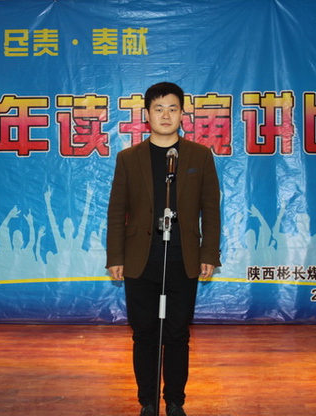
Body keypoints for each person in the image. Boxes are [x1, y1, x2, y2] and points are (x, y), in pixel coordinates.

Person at [106, 82, 221, 416]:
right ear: (147, 115)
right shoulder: (129, 158)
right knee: (144, 333)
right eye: (158, 109)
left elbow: (210, 209)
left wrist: (208, 254)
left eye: (172, 108)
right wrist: (115, 257)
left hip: (183, 257)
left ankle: (174, 402)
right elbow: (117, 210)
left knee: (177, 333)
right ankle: (147, 402)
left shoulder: (199, 156)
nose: (166, 115)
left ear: (183, 114)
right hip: (140, 259)